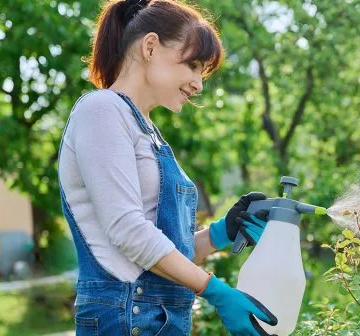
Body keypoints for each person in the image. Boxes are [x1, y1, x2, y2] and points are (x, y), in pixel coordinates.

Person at [57, 0, 277, 335]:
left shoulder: (148, 133)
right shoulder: (101, 110)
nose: (198, 84)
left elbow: (162, 256)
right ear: (150, 46)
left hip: (153, 319)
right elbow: (130, 234)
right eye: (192, 65)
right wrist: (217, 292)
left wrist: (220, 234)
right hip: (124, 318)